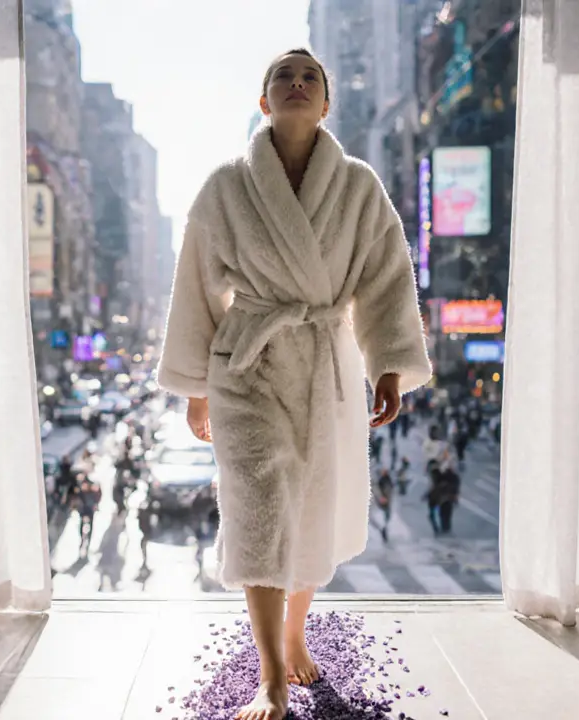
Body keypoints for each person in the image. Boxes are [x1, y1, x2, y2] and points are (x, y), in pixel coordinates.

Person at [155, 48, 432, 720]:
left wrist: (389, 362)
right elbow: (196, 284)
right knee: (257, 503)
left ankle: (297, 631)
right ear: (264, 101)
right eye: (284, 75)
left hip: (324, 360)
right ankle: (271, 678)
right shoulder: (225, 186)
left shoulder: (360, 186)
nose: (298, 83)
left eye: (311, 77)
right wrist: (196, 385)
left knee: (312, 505)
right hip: (247, 362)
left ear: (327, 103)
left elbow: (386, 277)